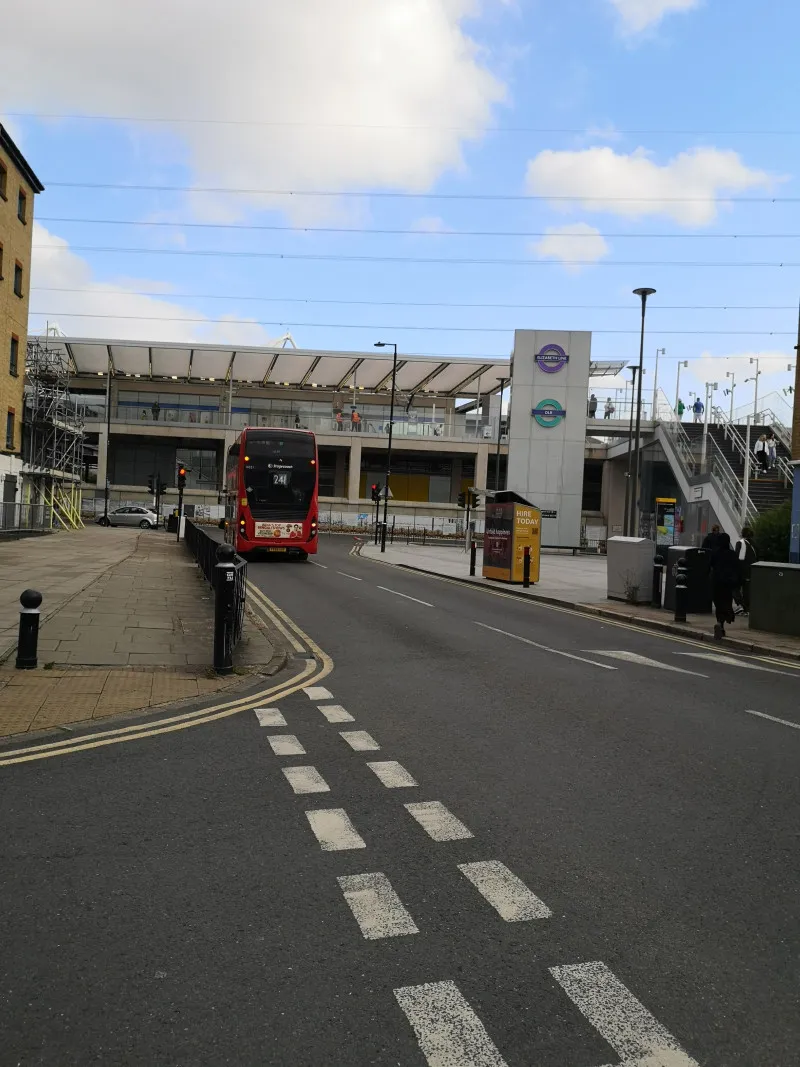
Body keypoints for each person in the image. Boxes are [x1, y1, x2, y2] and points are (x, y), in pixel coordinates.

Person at [710, 532, 740, 639]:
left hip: (716, 582)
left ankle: (720, 623)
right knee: (726, 602)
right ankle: (722, 622)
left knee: (718, 604)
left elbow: (710, 565)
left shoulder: (715, 553)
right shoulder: (732, 554)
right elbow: (737, 568)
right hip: (728, 583)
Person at [734, 526, 757, 615]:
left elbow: (737, 557)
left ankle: (741, 605)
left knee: (734, 587)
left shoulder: (740, 543)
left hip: (741, 570)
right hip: (752, 570)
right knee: (747, 589)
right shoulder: (754, 544)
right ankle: (747, 609)